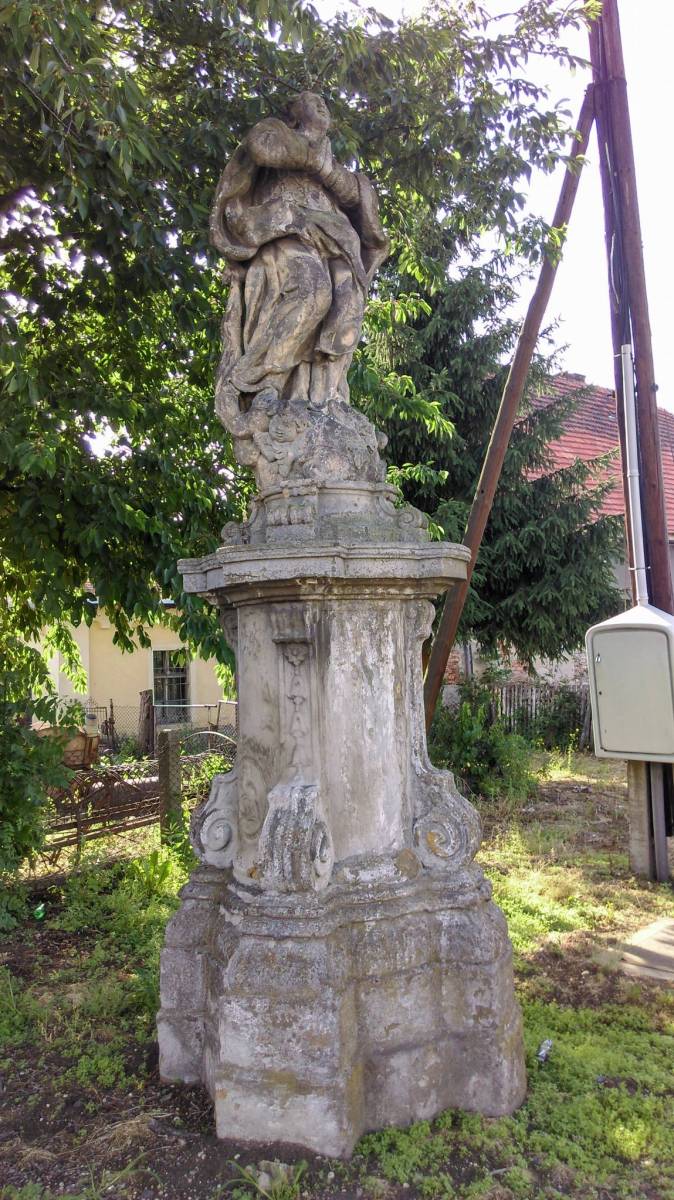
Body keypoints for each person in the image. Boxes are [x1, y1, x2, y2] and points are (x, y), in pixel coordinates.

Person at [210, 91, 389, 462]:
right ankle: (263, 384)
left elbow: (357, 195)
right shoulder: (274, 133)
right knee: (312, 290)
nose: (322, 104)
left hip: (335, 238)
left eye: (325, 102)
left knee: (349, 303)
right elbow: (262, 149)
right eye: (311, 100)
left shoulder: (330, 162)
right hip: (286, 229)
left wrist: (327, 169)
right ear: (293, 114)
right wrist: (316, 161)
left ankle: (327, 398)